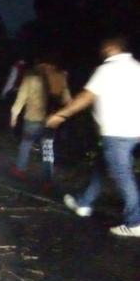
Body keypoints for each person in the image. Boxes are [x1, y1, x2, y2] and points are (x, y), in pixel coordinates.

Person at [46, 36, 140, 237]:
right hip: (133, 133)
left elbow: (86, 97)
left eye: (105, 46)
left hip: (117, 133)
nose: (102, 49)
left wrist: (61, 114)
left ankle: (135, 222)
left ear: (111, 48)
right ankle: (84, 203)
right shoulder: (137, 68)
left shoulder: (107, 70)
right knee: (101, 166)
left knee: (123, 175)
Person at [9, 58, 71, 183]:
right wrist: (61, 116)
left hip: (32, 118)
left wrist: (14, 115)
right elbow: (68, 101)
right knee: (47, 148)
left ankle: (20, 169)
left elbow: (21, 98)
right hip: (50, 120)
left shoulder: (31, 77)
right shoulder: (59, 77)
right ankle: (47, 180)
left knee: (26, 143)